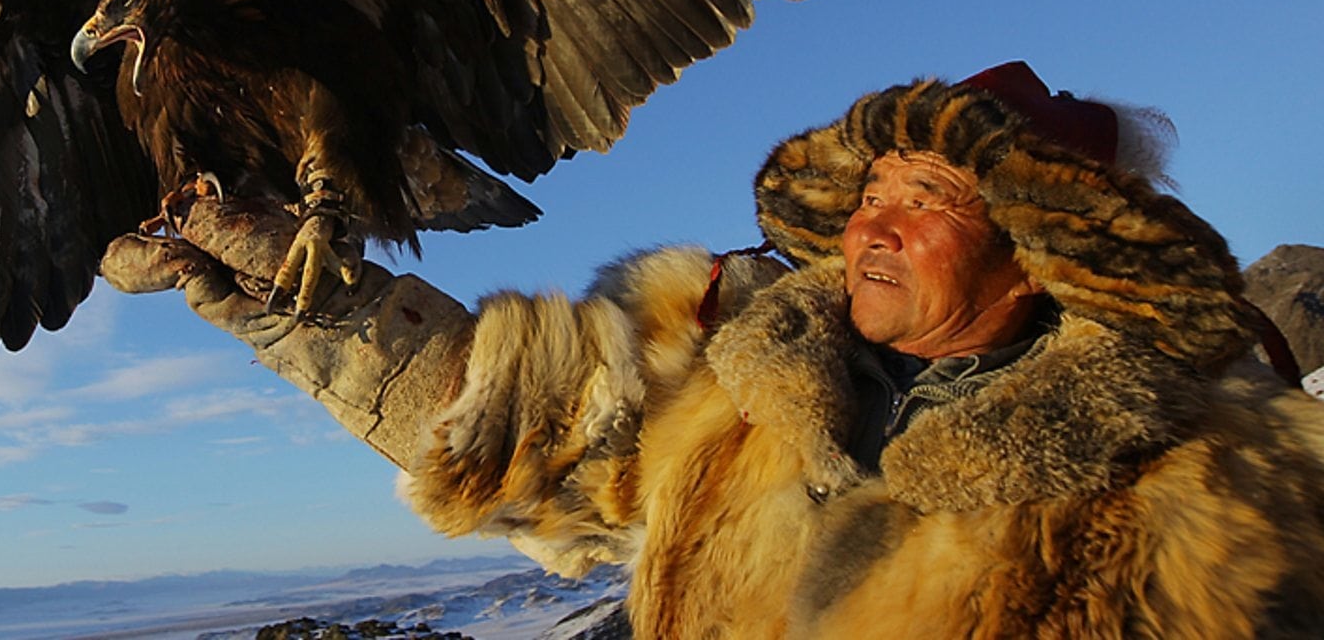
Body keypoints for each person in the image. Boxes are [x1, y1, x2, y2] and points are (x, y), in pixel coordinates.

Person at [100, 64, 1324, 638]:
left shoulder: (1212, 504)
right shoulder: (741, 361)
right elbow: (521, 429)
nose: (872, 226)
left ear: (1048, 242)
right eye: (871, 191)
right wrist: (294, 295)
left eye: (929, 198)